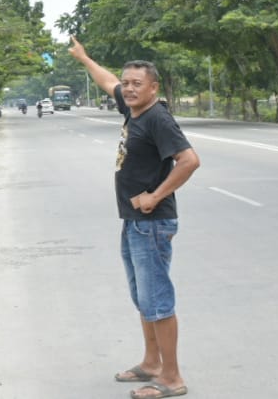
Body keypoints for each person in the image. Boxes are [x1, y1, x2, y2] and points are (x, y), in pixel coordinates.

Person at [69, 35, 200, 399]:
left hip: (153, 224)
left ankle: (171, 378)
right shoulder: (133, 109)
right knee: (143, 297)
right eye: (127, 83)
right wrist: (84, 57)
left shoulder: (158, 118)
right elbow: (107, 80)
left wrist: (156, 195)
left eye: (136, 84)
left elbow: (189, 161)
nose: (127, 89)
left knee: (157, 299)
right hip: (134, 222)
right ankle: (151, 362)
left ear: (153, 87)